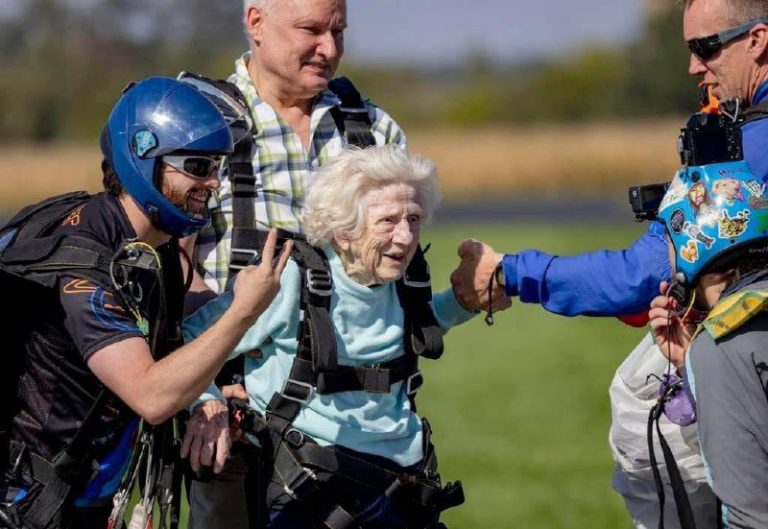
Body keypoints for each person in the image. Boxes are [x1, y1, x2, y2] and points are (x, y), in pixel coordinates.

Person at [450, 1, 768, 527]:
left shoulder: (753, 143)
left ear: (756, 40)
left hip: (742, 353)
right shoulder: (738, 125)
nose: (694, 66)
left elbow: (643, 273)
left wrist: (511, 272)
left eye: (705, 47)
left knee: (643, 407)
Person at [0, 76, 291, 529]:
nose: (213, 183)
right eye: (197, 166)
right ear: (143, 157)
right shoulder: (85, 266)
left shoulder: (148, 248)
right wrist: (243, 311)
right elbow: (152, 395)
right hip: (31, 508)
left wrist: (207, 396)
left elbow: (174, 331)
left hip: (82, 502)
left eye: (217, 166)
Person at [183, 0, 406, 526]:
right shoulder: (197, 124)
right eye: (311, 29)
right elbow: (175, 278)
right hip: (234, 425)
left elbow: (394, 286)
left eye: (339, 31)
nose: (329, 49)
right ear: (255, 22)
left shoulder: (374, 132)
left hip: (359, 429)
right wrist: (205, 394)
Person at [183, 146, 480, 528]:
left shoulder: (403, 276)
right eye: (388, 221)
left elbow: (411, 332)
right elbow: (191, 341)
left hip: (405, 482)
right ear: (342, 230)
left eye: (414, 218)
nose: (405, 237)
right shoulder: (290, 279)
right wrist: (207, 405)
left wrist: (466, 300)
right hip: (309, 487)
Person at [649, 156, 768, 528]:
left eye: (668, 242)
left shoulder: (722, 343)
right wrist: (688, 366)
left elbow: (750, 510)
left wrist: (702, 361)